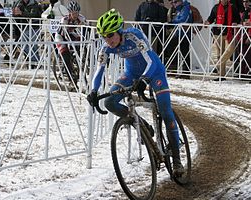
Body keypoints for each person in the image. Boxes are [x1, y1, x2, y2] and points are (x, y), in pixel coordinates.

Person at [87, 9, 184, 176]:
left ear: (119, 30)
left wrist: (145, 80)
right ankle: (143, 125)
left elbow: (150, 61)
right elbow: (99, 70)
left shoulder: (134, 35)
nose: (107, 40)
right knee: (109, 102)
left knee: (166, 111)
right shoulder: (106, 47)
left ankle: (176, 159)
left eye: (110, 35)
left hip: (154, 71)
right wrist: (94, 91)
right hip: (132, 74)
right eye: (104, 36)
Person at [204, 0, 241, 81]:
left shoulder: (233, 8)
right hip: (218, 33)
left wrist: (235, 22)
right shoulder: (216, 7)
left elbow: (238, 19)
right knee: (219, 53)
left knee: (230, 50)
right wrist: (207, 22)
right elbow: (211, 17)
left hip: (229, 33)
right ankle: (221, 75)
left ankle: (218, 64)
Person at [55, 0, 88, 82]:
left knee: (81, 46)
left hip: (71, 33)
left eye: (76, 13)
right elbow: (65, 35)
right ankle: (70, 79)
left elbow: (87, 29)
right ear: (69, 12)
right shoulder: (65, 19)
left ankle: (80, 62)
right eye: (73, 13)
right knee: (66, 55)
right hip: (61, 36)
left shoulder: (81, 18)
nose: (75, 15)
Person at [12, 0, 42, 69]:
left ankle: (35, 62)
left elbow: (33, 15)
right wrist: (15, 13)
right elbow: (15, 13)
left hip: (35, 26)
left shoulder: (34, 4)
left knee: (33, 45)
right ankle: (36, 61)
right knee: (23, 44)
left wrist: (21, 13)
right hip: (25, 26)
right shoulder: (19, 3)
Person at [169, 0, 193, 79]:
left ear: (180, 1)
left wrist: (173, 22)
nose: (174, 4)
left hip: (185, 34)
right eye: (172, 3)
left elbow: (184, 20)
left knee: (185, 52)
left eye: (175, 2)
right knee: (176, 50)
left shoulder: (186, 8)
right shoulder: (179, 9)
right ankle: (175, 70)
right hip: (179, 33)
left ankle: (186, 72)